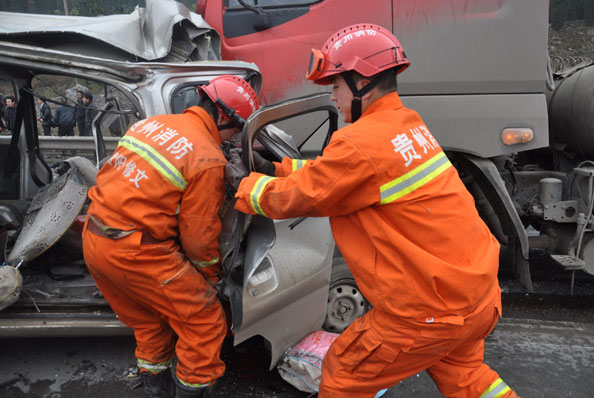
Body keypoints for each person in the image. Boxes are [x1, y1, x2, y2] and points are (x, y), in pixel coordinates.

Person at [229, 24, 521, 398]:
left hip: (427, 311)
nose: (333, 96)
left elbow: (306, 196)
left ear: (361, 82)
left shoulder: (360, 142)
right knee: (468, 379)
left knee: (343, 375)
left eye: (335, 85)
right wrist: (276, 169)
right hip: (475, 295)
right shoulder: (405, 125)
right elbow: (339, 177)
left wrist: (245, 186)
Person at [82, 75, 258, 398]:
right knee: (205, 323)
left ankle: (156, 390)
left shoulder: (149, 125)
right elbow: (199, 238)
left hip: (94, 239)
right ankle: (191, 390)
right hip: (135, 252)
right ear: (221, 116)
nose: (233, 139)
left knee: (150, 322)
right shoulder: (207, 157)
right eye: (235, 129)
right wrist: (210, 279)